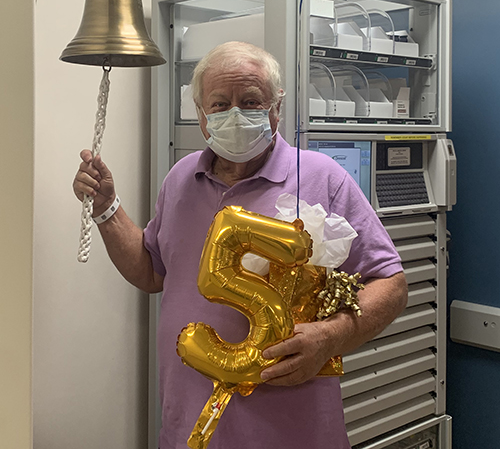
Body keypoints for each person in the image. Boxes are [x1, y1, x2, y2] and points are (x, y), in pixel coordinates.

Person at [73, 41, 407, 449]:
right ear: (200, 114)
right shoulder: (180, 179)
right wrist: (107, 209)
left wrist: (330, 337)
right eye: (219, 103)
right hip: (190, 428)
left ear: (275, 109)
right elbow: (152, 272)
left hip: (291, 433)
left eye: (250, 101)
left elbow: (391, 283)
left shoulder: (323, 178)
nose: (235, 113)